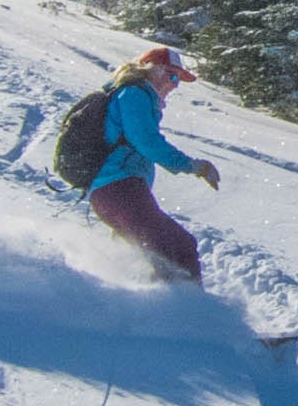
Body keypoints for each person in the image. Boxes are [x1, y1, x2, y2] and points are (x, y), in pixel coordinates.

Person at [88, 46, 221, 282]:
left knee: (147, 258)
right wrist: (194, 166)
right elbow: (146, 141)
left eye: (178, 80)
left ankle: (136, 305)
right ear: (154, 70)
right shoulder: (134, 94)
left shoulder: (134, 96)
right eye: (172, 76)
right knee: (179, 246)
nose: (174, 85)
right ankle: (191, 312)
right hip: (119, 190)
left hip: (117, 192)